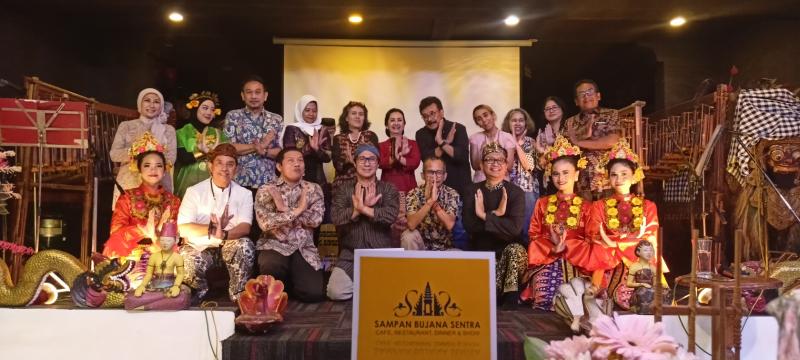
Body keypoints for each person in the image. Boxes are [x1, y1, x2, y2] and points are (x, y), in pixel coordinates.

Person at [523, 136, 613, 311]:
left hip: (579, 260)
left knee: (583, 292)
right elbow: (534, 234)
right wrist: (553, 247)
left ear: (577, 174)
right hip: (548, 256)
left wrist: (570, 247)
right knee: (546, 297)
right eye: (556, 173)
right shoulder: (542, 203)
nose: (560, 178)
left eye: (566, 173)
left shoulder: (587, 206)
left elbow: (591, 237)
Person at [586, 138, 666, 310]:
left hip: (638, 256)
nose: (619, 179)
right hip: (610, 259)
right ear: (608, 178)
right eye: (614, 174)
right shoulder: (599, 205)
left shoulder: (648, 206)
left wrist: (620, 242)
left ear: (634, 176)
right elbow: (594, 234)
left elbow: (650, 235)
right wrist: (623, 241)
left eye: (624, 174)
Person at [178, 144, 256, 303]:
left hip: (228, 244)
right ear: (210, 167)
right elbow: (183, 227)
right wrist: (212, 228)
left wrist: (224, 234)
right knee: (186, 257)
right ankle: (199, 293)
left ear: (236, 169)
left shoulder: (245, 194)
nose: (224, 168)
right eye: (219, 163)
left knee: (245, 245)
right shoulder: (194, 191)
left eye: (230, 164)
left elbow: (245, 227)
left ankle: (238, 295)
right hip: (200, 247)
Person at [328, 144, 399, 301]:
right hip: (350, 255)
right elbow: (336, 217)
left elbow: (390, 216)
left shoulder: (388, 189)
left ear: (378, 163)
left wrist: (364, 209)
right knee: (335, 292)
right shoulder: (343, 189)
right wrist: (356, 211)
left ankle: (369, 287)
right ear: (355, 162)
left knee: (394, 292)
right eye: (362, 159)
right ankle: (368, 287)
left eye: (371, 159)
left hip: (381, 253)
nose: (367, 163)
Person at [254, 148, 325, 302]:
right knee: (271, 269)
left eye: (300, 160)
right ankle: (279, 288)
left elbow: (316, 220)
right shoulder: (267, 189)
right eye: (291, 160)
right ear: (279, 166)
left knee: (314, 294)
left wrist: (284, 209)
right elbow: (266, 223)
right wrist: (299, 209)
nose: (297, 164)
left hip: (303, 247)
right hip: (274, 244)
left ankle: (290, 286)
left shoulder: (313, 189)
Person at [462, 142, 527, 307]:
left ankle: (511, 298)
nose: (495, 163)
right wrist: (497, 215)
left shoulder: (515, 192)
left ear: (506, 165)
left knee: (515, 250)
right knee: (485, 299)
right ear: (482, 165)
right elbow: (470, 226)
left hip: (507, 253)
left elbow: (514, 229)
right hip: (482, 252)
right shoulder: (472, 190)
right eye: (489, 159)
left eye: (500, 160)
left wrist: (484, 215)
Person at [103, 132, 181, 259]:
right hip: (132, 254)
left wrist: (160, 231)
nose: (153, 170)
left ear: (164, 169)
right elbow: (116, 231)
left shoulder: (173, 201)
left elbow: (178, 231)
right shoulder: (127, 198)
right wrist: (142, 230)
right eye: (147, 165)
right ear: (139, 169)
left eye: (158, 166)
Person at [109, 88, 176, 208]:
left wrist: (149, 153)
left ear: (160, 106)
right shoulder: (126, 126)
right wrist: (137, 150)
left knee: (160, 222)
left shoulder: (168, 130)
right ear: (140, 104)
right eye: (147, 100)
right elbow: (114, 154)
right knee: (126, 221)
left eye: (156, 102)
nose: (151, 105)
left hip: (159, 182)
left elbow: (171, 158)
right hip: (129, 181)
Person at [223, 75, 283, 193]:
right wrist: (258, 146)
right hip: (238, 183)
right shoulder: (233, 116)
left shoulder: (276, 119)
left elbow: (281, 152)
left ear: (265, 96)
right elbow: (228, 148)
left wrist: (264, 151)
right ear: (242, 96)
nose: (254, 96)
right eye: (249, 92)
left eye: (258, 92)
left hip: (269, 184)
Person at [564, 80, 621, 200]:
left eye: (590, 92)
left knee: (608, 215)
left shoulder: (612, 114)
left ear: (598, 96)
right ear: (576, 101)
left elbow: (612, 140)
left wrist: (579, 142)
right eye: (582, 94)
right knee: (580, 216)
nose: (586, 96)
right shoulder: (570, 122)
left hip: (606, 178)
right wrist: (583, 137)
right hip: (579, 180)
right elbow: (565, 146)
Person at [378, 108, 421, 246]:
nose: (396, 123)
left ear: (404, 124)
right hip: (388, 193)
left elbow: (414, 163)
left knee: (408, 230)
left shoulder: (413, 144)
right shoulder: (381, 146)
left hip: (409, 193)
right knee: (389, 231)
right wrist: (397, 158)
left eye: (399, 120)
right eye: (392, 120)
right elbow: (380, 163)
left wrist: (398, 158)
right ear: (386, 125)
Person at [124, 221, 190, 310]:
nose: (165, 243)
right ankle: (158, 304)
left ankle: (148, 306)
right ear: (159, 240)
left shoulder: (177, 257)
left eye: (168, 240)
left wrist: (176, 286)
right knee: (130, 298)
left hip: (170, 287)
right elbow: (149, 274)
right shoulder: (154, 256)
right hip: (154, 288)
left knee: (182, 297)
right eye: (162, 240)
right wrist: (142, 286)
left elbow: (180, 274)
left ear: (176, 240)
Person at [174, 91, 227, 198]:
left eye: (212, 110)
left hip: (213, 184)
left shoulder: (219, 134)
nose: (209, 112)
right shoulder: (181, 132)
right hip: (187, 184)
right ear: (195, 108)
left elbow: (226, 157)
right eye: (205, 108)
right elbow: (182, 158)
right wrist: (201, 152)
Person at [414, 96, 470, 197]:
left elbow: (461, 156)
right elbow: (427, 159)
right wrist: (447, 142)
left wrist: (440, 141)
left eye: (432, 113)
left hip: (460, 188)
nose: (429, 119)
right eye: (425, 116)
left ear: (441, 112)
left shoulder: (458, 128)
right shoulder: (420, 134)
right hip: (434, 190)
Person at [402, 156, 460, 251]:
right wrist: (429, 202)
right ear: (422, 175)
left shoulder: (451, 193)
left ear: (445, 176)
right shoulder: (413, 194)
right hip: (421, 246)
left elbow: (449, 224)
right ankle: (411, 265)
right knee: (408, 236)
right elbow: (411, 224)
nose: (434, 176)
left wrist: (435, 204)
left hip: (445, 248)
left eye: (439, 173)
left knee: (459, 254)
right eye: (430, 172)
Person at [501, 108, 539, 244]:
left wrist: (516, 144)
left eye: (521, 120)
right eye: (514, 120)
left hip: (527, 191)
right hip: (506, 189)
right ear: (508, 123)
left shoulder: (531, 142)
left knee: (527, 231)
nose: (518, 123)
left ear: (526, 123)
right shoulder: (502, 141)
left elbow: (529, 166)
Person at [281, 95, 332, 188]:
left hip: (318, 179)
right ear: (301, 111)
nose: (311, 114)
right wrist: (309, 147)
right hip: (296, 177)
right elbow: (289, 154)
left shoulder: (322, 129)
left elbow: (328, 158)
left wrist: (317, 149)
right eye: (307, 110)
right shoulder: (292, 129)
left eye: (314, 111)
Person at [331, 101, 379, 187]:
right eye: (354, 113)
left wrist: (364, 152)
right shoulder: (337, 138)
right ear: (346, 118)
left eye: (361, 114)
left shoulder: (371, 136)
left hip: (368, 184)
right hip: (343, 186)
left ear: (364, 118)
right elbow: (337, 166)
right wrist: (347, 161)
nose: (357, 116)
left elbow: (376, 162)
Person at [469, 104, 516, 182]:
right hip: (480, 183)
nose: (484, 120)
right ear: (477, 123)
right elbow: (475, 166)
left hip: (502, 183)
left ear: (493, 115)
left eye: (485, 115)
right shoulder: (475, 138)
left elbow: (509, 167)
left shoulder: (507, 137)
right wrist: (481, 152)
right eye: (479, 119)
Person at [534, 96, 567, 194]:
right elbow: (540, 165)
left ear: (562, 109)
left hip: (567, 178)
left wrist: (551, 146)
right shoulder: (541, 133)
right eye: (548, 109)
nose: (551, 111)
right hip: (549, 181)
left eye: (554, 107)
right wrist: (541, 152)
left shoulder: (570, 129)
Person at [627, 240, 657, 314]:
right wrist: (642, 284)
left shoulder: (653, 268)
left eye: (650, 250)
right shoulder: (634, 267)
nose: (649, 252)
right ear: (638, 252)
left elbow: (655, 284)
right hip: (639, 296)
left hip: (651, 294)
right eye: (645, 250)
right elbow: (628, 283)